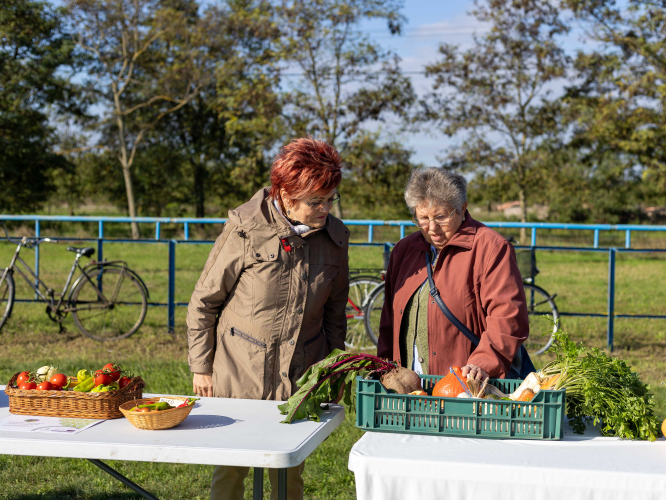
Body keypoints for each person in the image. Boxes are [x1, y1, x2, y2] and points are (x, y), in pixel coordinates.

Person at [186, 137, 349, 500]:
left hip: (299, 375)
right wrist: (202, 367)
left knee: (288, 472)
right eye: (315, 201)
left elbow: (336, 313)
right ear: (286, 196)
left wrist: (334, 369)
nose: (324, 209)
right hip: (239, 370)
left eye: (330, 198)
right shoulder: (246, 228)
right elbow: (204, 301)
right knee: (231, 467)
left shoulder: (336, 238)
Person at [377, 167, 530, 382]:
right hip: (408, 388)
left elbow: (507, 316)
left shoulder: (491, 248)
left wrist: (484, 363)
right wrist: (384, 369)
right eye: (422, 218)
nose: (432, 228)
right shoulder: (404, 250)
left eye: (440, 217)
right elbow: (389, 320)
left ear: (462, 208)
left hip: (465, 388)